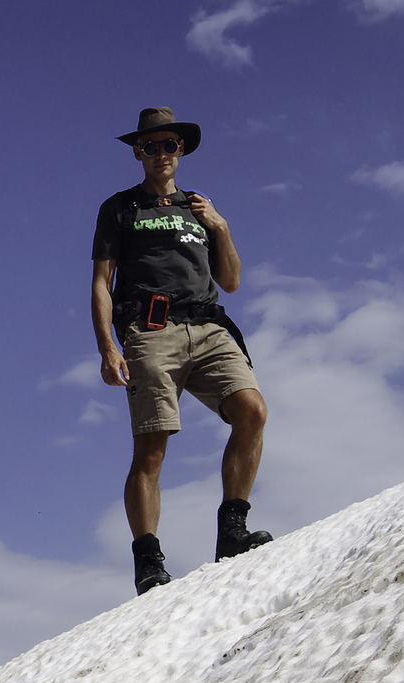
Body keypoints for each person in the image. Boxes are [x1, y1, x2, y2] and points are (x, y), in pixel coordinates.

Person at [90, 107, 272, 596]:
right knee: (151, 448)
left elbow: (230, 282)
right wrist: (108, 346)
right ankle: (148, 560)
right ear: (138, 152)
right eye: (152, 146)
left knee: (252, 410)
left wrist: (221, 227)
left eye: (170, 145)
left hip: (210, 327)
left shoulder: (198, 209)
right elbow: (102, 283)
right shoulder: (120, 207)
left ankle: (232, 532)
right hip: (150, 331)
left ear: (181, 150)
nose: (162, 153)